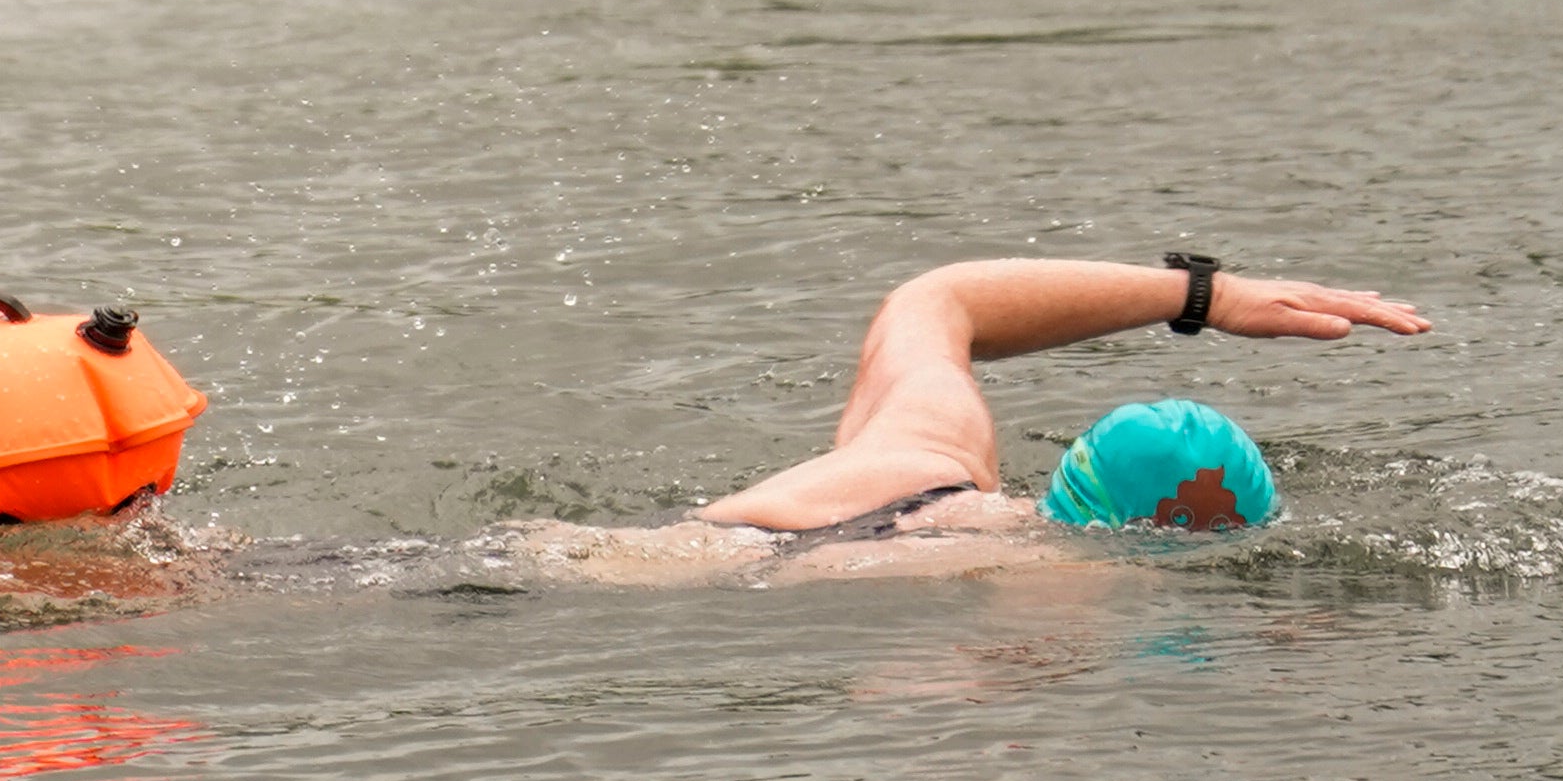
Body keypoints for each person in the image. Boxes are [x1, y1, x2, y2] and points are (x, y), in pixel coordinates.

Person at [533, 251, 1429, 581]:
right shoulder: (1054, 580)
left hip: (549, 558)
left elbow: (939, 297)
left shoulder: (923, 456)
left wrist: (1204, 293)